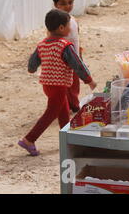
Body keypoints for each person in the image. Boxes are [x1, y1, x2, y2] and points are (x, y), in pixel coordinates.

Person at [18, 9, 96, 156]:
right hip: (59, 85)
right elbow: (77, 64)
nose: (70, 29)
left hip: (47, 85)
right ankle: (29, 139)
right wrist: (89, 80)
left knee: (63, 111)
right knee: (51, 113)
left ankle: (66, 138)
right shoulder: (65, 46)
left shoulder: (42, 44)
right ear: (61, 28)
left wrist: (32, 69)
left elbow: (32, 64)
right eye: (68, 26)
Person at [52, 0, 81, 113]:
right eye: (63, 4)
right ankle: (67, 106)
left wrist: (79, 51)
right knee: (64, 85)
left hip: (74, 57)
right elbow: (52, 39)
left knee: (75, 83)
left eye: (70, 2)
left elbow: (76, 36)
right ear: (55, 4)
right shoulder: (55, 21)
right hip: (63, 59)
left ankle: (73, 105)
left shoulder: (73, 19)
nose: (67, 6)